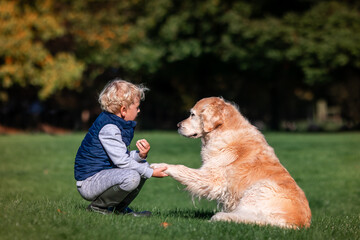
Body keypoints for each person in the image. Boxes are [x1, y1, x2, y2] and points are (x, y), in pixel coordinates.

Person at [74, 79, 168, 216]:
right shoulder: (110, 128)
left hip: (103, 175)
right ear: (123, 110)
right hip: (90, 182)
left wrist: (140, 156)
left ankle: (119, 209)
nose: (139, 110)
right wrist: (151, 173)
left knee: (142, 165)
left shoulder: (115, 123)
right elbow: (122, 162)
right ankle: (98, 208)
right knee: (133, 176)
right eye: (137, 107)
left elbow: (120, 156)